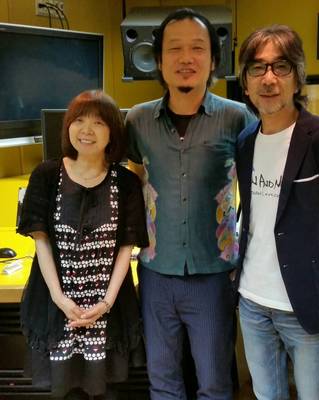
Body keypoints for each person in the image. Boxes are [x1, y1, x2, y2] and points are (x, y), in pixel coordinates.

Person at [125, 8, 254, 400]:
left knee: (214, 383)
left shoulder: (237, 118)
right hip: (155, 273)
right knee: (162, 380)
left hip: (213, 275)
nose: (186, 58)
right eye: (174, 49)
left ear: (213, 60)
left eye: (197, 48)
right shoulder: (137, 121)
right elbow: (135, 180)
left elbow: (257, 191)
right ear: (159, 60)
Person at [235, 25, 319, 400]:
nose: (268, 79)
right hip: (252, 302)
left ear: (297, 77)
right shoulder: (245, 142)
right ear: (245, 83)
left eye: (280, 66)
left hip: (305, 305)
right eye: (257, 68)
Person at [17, 90, 149, 400]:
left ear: (112, 132)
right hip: (56, 304)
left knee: (107, 389)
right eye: (79, 120)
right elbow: (40, 242)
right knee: (65, 391)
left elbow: (126, 248)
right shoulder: (46, 175)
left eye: (98, 123)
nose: (87, 130)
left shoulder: (126, 182)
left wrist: (105, 303)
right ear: (68, 126)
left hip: (108, 308)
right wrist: (60, 298)